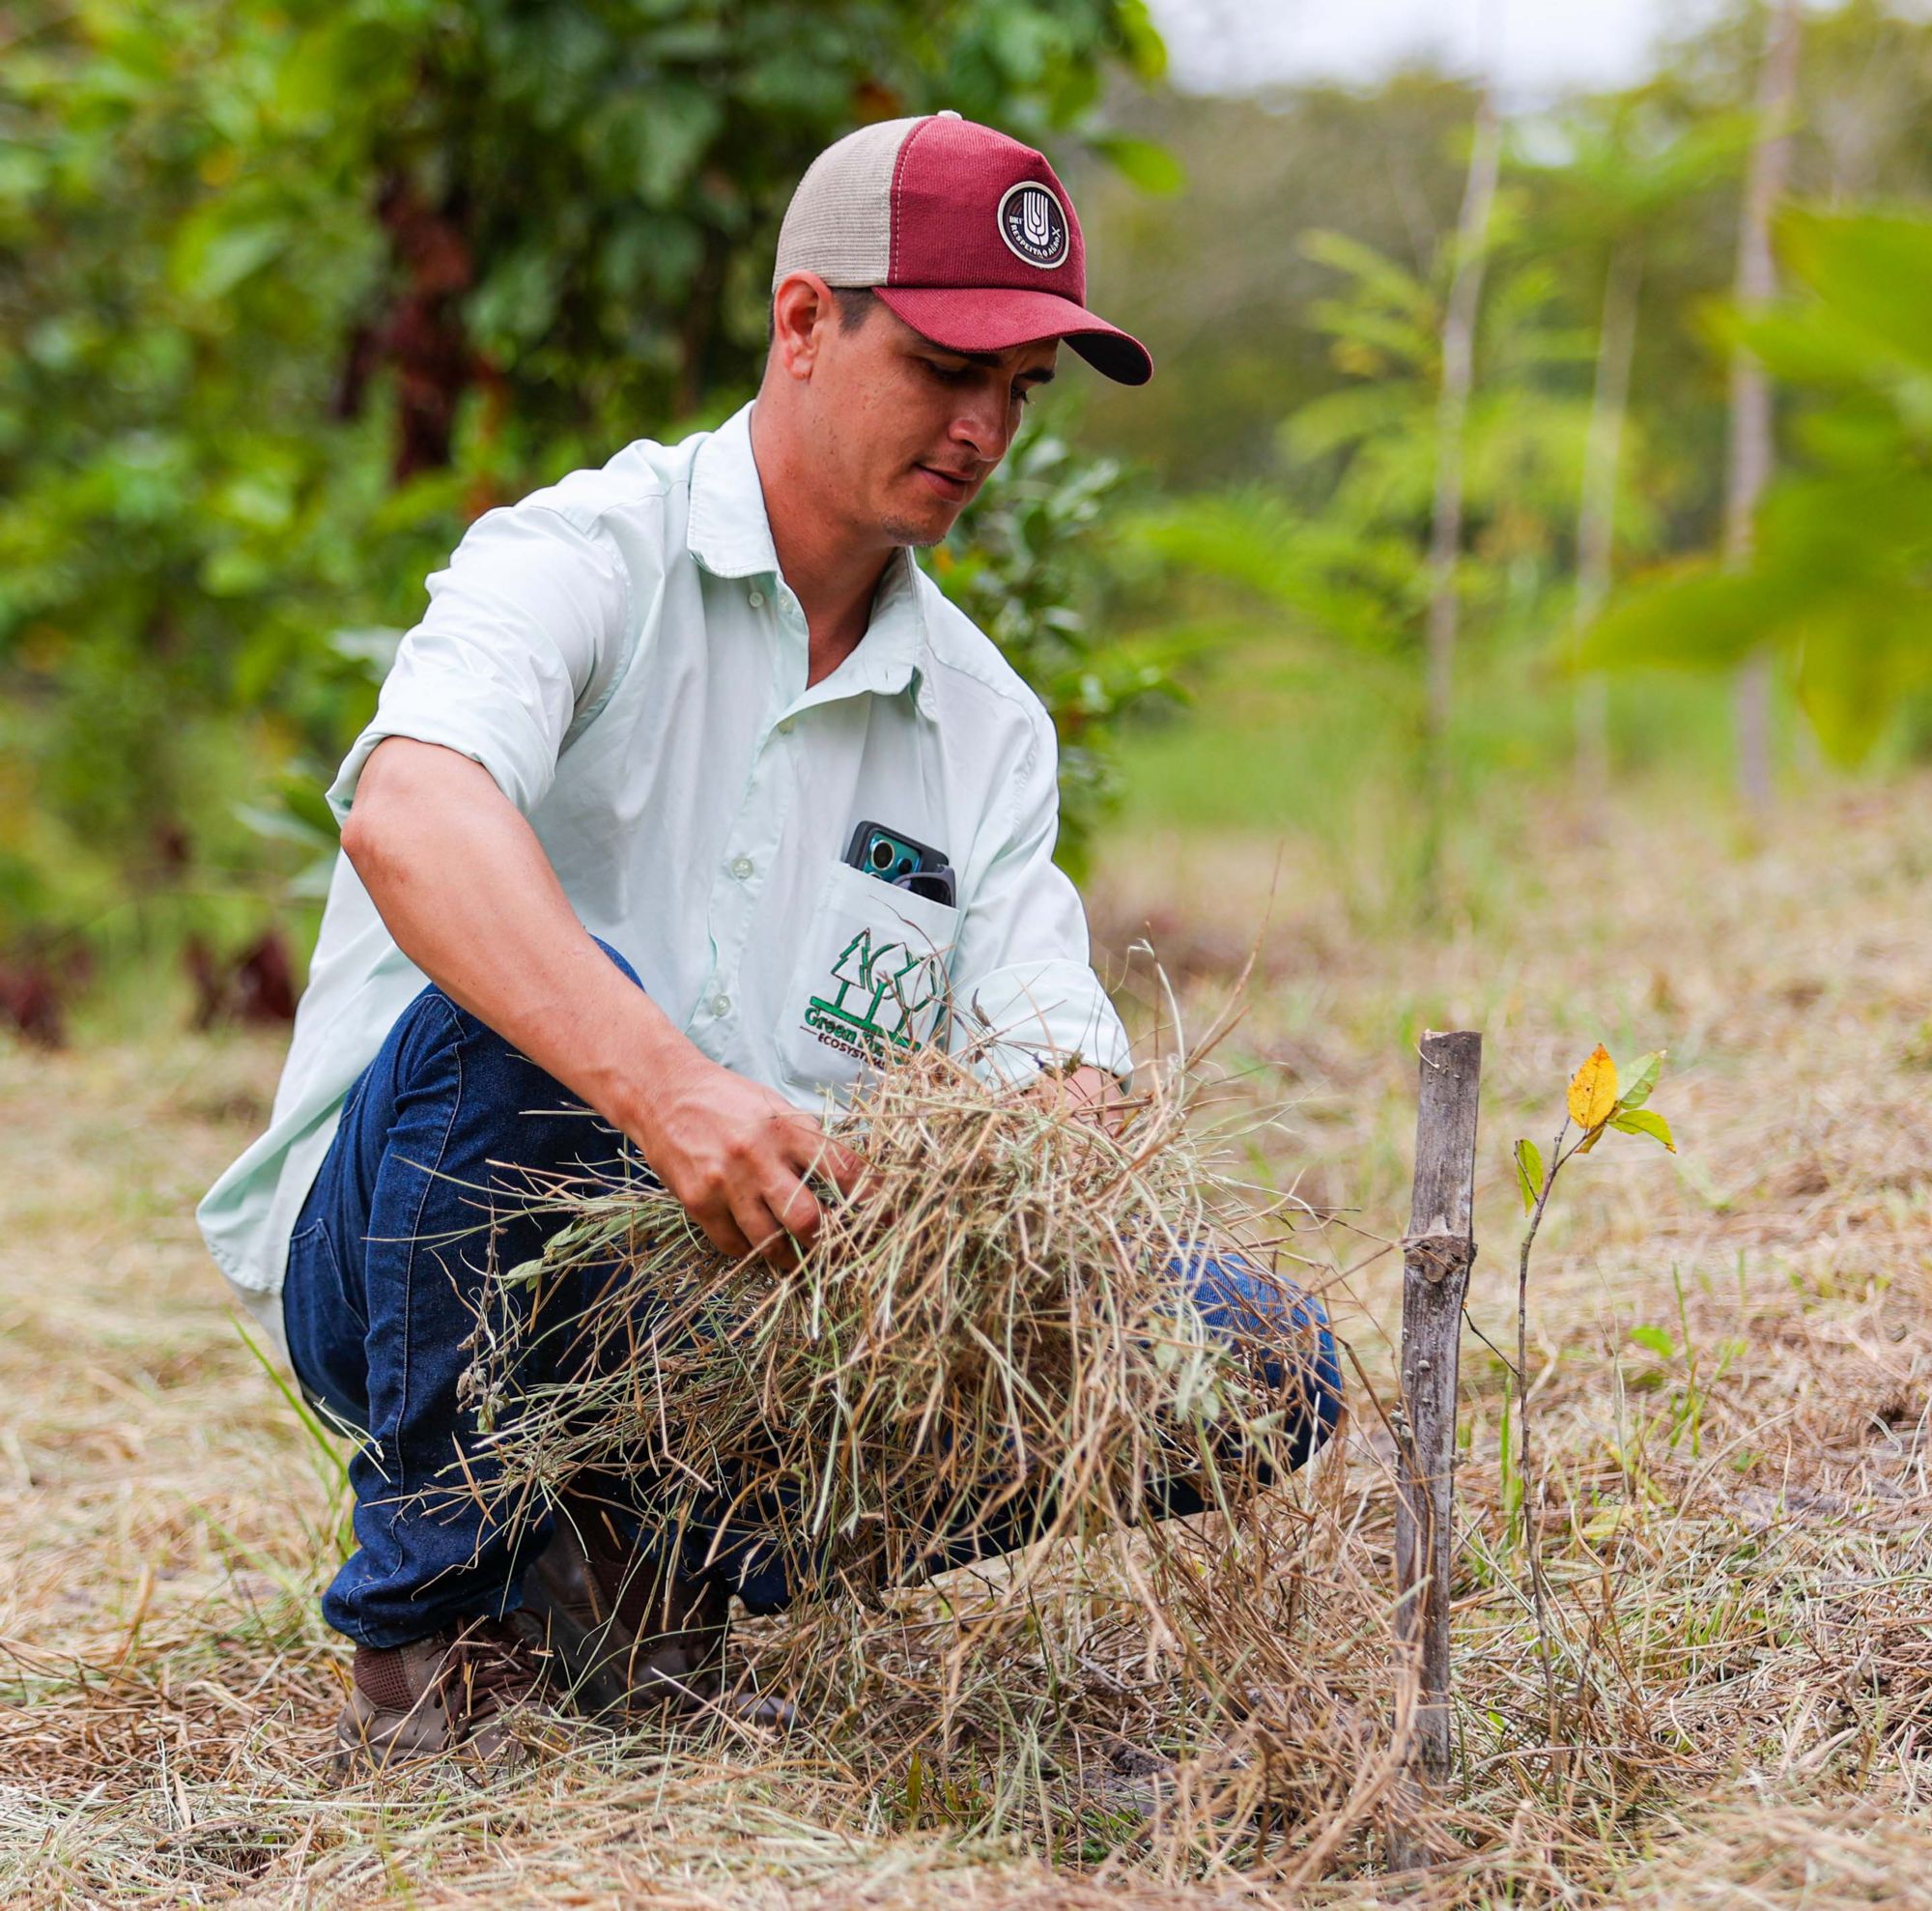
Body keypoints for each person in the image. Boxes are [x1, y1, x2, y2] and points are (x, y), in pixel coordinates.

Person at [198, 112, 1342, 1777]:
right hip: (405, 1262)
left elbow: (1066, 1083)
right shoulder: (583, 558)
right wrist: (670, 1092)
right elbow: (410, 816)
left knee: (1253, 1357)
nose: (983, 426)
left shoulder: (982, 725)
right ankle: (435, 1626)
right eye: (948, 362)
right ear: (805, 322)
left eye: (1020, 388)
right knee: (538, 1010)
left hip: (739, 1318)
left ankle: (653, 1573)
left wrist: (948, 1176)